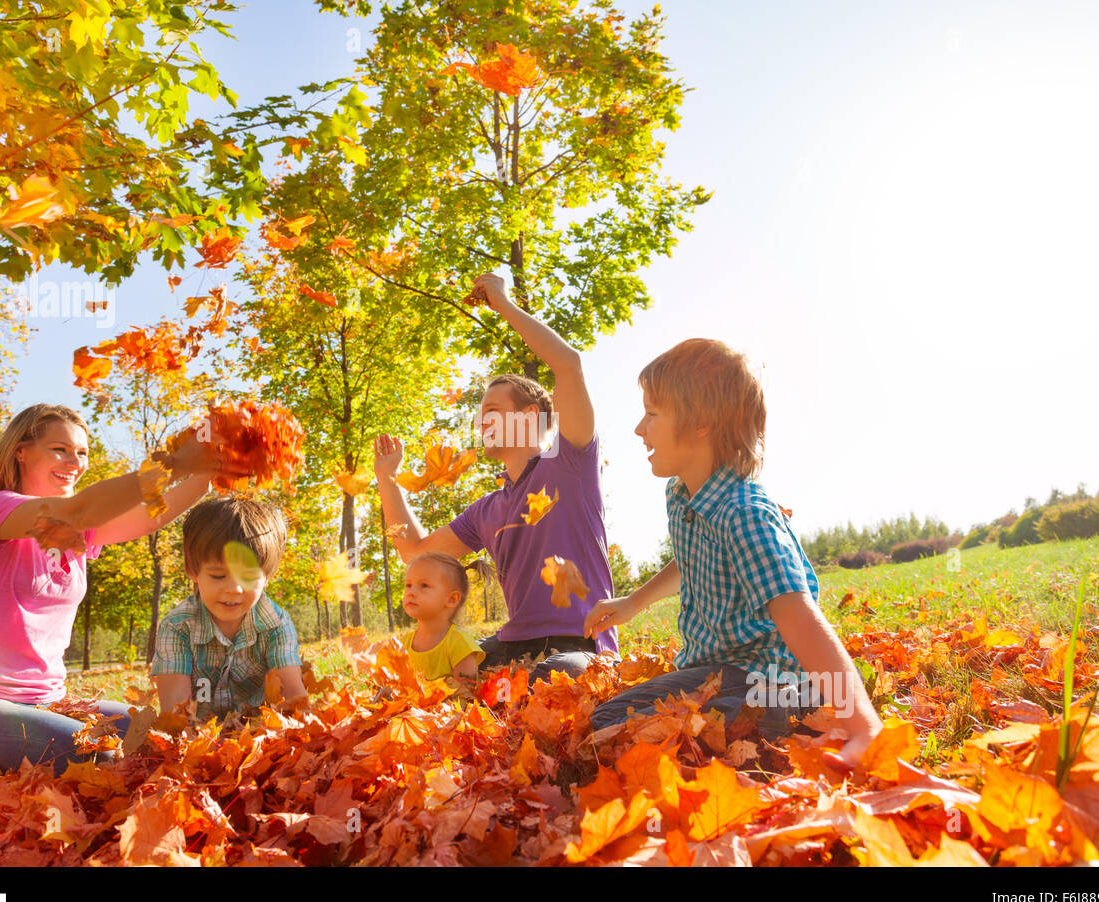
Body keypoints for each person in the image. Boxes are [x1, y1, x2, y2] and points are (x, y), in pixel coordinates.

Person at [582, 339, 882, 766]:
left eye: (652, 414)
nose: (639, 428)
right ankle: (740, 732)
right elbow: (690, 563)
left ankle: (778, 722)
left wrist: (863, 724)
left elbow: (800, 618)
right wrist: (632, 602)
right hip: (714, 673)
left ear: (701, 423)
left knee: (651, 738)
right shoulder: (681, 493)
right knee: (609, 721)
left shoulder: (745, 514)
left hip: (770, 681)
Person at [0, 404, 237, 777]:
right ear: (22, 451)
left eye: (82, 453)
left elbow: (150, 517)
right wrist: (175, 462)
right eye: (60, 449)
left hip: (44, 704)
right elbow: (79, 510)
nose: (75, 462)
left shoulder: (80, 534)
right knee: (98, 755)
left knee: (165, 736)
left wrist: (206, 471)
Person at [374, 273, 616, 681]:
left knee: (551, 680)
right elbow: (414, 552)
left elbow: (568, 364)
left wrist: (501, 302)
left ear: (528, 417)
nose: (481, 421)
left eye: (492, 412)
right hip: (511, 645)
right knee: (431, 685)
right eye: (480, 413)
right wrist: (387, 481)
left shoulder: (571, 465)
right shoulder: (487, 510)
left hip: (579, 644)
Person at [152, 496, 308, 720]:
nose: (234, 589)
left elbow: (294, 699)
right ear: (192, 570)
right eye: (218, 575)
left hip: (258, 735)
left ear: (267, 576)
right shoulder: (177, 627)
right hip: (198, 737)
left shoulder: (276, 625)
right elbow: (176, 715)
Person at [396, 553, 487, 683]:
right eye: (408, 585)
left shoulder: (460, 645)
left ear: (451, 599)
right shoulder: (403, 644)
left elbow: (466, 693)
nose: (411, 592)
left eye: (424, 585)